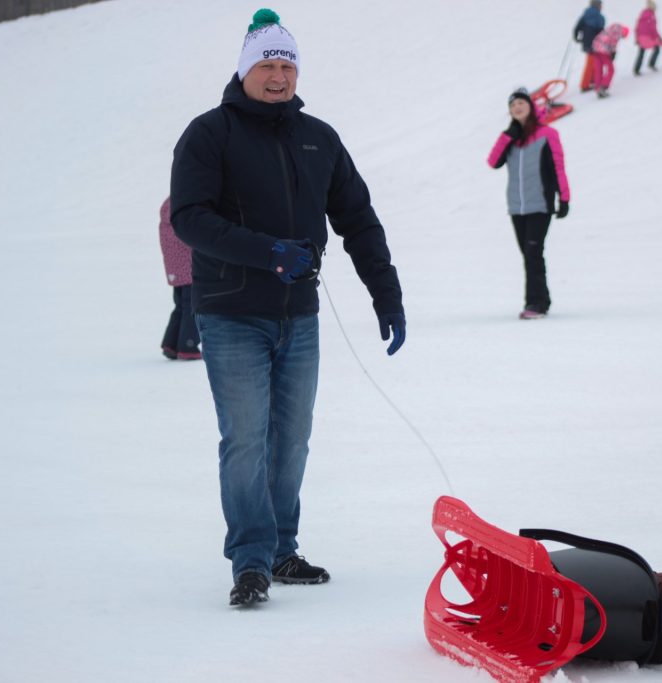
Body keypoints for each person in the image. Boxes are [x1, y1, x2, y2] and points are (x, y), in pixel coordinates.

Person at [170, 8, 405, 607]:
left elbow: (357, 217)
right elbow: (191, 218)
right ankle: (250, 561)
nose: (278, 76)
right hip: (230, 314)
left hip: (298, 317)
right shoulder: (209, 133)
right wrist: (268, 253)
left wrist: (387, 293)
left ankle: (281, 549)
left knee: (292, 438)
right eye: (267, 65)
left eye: (287, 65)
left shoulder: (318, 138)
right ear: (245, 69)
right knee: (246, 438)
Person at [487, 89, 570, 319]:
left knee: (533, 253)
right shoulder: (512, 139)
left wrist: (564, 198)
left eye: (521, 103)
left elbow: (558, 167)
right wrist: (508, 135)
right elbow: (493, 162)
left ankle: (535, 304)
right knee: (529, 254)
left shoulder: (548, 134)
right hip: (517, 207)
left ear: (531, 106)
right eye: (513, 106)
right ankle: (541, 300)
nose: (517, 108)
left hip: (540, 205)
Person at [158, 196, 202, 360]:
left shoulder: (167, 214)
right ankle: (188, 345)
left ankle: (171, 343)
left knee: (180, 307)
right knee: (192, 307)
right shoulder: (181, 211)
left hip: (175, 269)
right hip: (188, 268)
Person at [591, 23, 630, 98]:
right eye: (623, 36)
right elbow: (613, 43)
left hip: (595, 48)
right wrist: (613, 53)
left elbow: (602, 37)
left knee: (598, 69)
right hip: (604, 51)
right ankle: (603, 87)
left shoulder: (610, 29)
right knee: (611, 69)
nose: (622, 37)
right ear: (624, 32)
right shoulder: (618, 32)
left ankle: (597, 87)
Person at [574, 0, 606, 93]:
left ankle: (591, 80)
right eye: (600, 5)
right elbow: (601, 32)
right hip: (595, 44)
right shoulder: (599, 17)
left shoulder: (585, 15)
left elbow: (577, 27)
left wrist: (576, 37)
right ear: (597, 6)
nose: (601, 7)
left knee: (592, 62)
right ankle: (585, 85)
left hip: (586, 42)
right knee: (592, 63)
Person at [633, 0, 662, 76]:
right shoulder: (651, 16)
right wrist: (658, 37)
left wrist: (637, 38)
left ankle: (636, 69)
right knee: (657, 49)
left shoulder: (643, 14)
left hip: (641, 36)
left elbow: (637, 27)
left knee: (641, 53)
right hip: (648, 37)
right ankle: (651, 64)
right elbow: (653, 29)